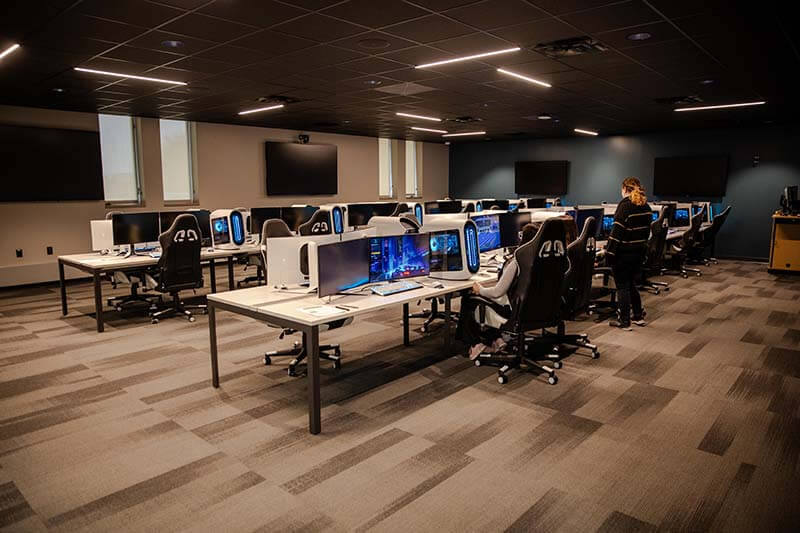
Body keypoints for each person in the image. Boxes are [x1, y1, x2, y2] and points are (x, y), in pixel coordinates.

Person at [456, 223, 539, 360]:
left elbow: (497, 292)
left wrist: (480, 289)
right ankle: (497, 339)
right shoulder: (538, 261)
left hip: (512, 311)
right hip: (528, 308)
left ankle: (476, 344)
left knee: (469, 297)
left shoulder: (517, 262)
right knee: (489, 299)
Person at [605, 177, 652, 329]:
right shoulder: (646, 207)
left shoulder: (624, 207)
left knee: (622, 286)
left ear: (625, 189)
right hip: (639, 254)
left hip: (623, 255)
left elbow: (616, 233)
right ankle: (638, 316)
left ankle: (624, 321)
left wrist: (609, 254)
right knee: (631, 284)